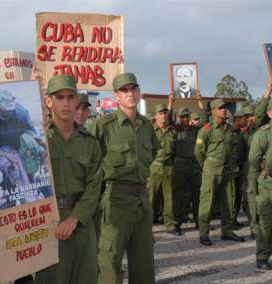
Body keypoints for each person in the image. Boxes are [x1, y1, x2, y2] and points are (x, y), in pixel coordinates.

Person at [89, 73, 158, 284]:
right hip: (115, 200)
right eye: (124, 90)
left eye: (133, 89)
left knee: (144, 261)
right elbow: (90, 164)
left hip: (142, 200)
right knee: (110, 261)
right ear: (116, 95)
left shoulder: (146, 126)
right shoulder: (103, 126)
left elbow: (153, 153)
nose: (130, 93)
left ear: (139, 92)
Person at [34, 75, 102, 284]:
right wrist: (37, 142)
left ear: (76, 102)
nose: (65, 102)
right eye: (59, 97)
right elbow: (26, 179)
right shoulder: (36, 137)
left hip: (82, 221)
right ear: (48, 101)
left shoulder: (90, 143)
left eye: (70, 97)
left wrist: (75, 218)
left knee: (86, 277)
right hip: (48, 221)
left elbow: (94, 185)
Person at [195, 98, 244, 246]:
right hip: (212, 171)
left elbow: (233, 149)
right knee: (207, 202)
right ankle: (204, 233)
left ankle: (227, 232)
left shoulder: (229, 129)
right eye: (221, 108)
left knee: (228, 202)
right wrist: (208, 167)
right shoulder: (206, 130)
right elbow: (199, 152)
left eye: (224, 107)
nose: (224, 109)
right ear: (213, 111)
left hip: (227, 171)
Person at [248, 97, 272, 270]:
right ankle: (262, 257)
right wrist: (263, 174)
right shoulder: (263, 133)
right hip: (268, 183)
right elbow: (254, 158)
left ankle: (271, 245)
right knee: (266, 221)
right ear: (270, 113)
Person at [172, 93, 207, 231]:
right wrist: (171, 102)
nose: (186, 119)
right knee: (179, 196)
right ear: (179, 119)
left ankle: (199, 221)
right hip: (180, 167)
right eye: (183, 117)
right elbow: (168, 119)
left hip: (194, 166)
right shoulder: (175, 131)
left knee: (197, 195)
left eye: (187, 116)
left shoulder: (196, 131)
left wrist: (199, 101)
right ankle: (177, 224)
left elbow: (204, 119)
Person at [148, 103, 180, 235]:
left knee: (169, 199)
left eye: (165, 113)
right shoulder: (149, 131)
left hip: (168, 168)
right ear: (155, 116)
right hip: (153, 168)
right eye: (160, 113)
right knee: (150, 198)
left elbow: (176, 150)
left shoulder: (173, 131)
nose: (163, 116)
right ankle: (146, 225)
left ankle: (170, 225)